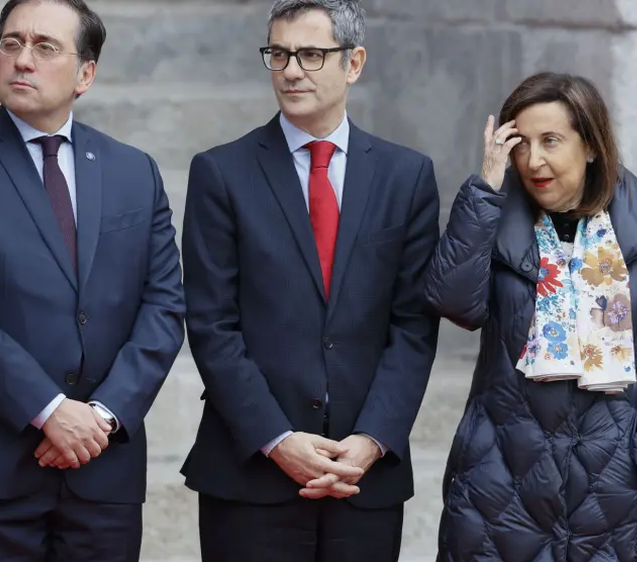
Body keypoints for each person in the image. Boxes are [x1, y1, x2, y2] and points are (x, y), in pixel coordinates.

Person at [0, 0, 185, 560]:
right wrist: (50, 409)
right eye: (11, 43)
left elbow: (164, 307)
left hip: (103, 469)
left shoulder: (134, 171)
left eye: (45, 47)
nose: (22, 59)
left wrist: (100, 416)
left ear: (85, 74)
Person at [179, 0, 441, 560]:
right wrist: (277, 439)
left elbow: (413, 327)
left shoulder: (406, 175)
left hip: (362, 477)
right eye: (279, 53)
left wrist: (371, 441)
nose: (291, 70)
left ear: (354, 63)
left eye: (312, 54)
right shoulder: (221, 172)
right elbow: (211, 325)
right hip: (250, 474)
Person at [426, 72, 637, 562]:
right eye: (522, 144)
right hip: (498, 492)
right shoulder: (493, 223)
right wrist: (485, 190)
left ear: (592, 146)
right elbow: (455, 304)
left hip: (612, 503)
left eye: (551, 141)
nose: (533, 161)